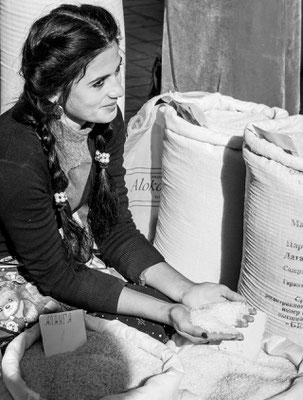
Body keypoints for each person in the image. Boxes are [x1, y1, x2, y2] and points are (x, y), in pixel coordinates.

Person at [0, 3, 253, 344]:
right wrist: (165, 311)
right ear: (53, 90)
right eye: (99, 82)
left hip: (63, 256)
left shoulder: (104, 121)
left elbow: (114, 229)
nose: (118, 91)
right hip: (15, 268)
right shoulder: (15, 157)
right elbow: (56, 276)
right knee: (80, 343)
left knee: (173, 320)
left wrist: (186, 291)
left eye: (117, 72)